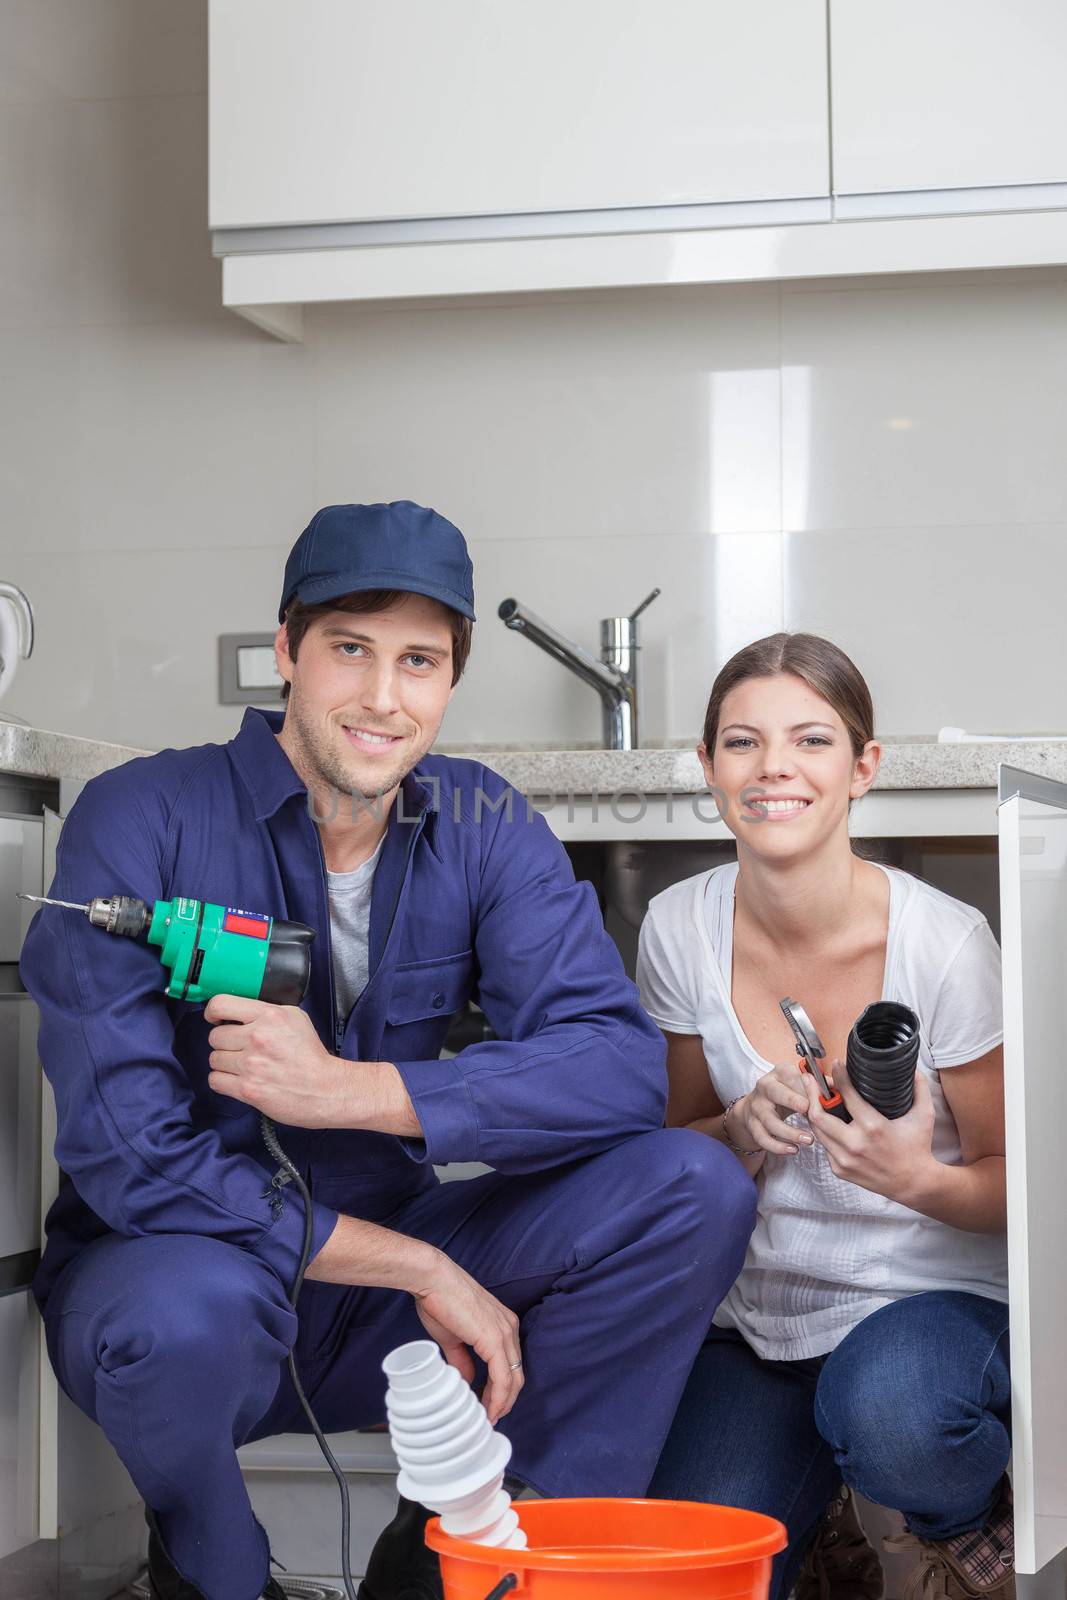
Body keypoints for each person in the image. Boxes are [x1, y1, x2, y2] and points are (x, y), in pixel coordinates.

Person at [21, 502, 757, 1600]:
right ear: (285, 650)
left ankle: (482, 1561)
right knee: (177, 1318)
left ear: (451, 680)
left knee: (689, 1185)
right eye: (349, 650)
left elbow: (616, 1069)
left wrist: (357, 1090)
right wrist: (417, 1263)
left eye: (419, 661)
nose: (381, 697)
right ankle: (214, 1571)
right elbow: (132, 1159)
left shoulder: (481, 824)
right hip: (183, 1284)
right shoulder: (141, 817)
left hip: (378, 1307)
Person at [637, 633, 1011, 1600]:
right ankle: (825, 1531)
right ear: (707, 768)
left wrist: (916, 1180)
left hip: (926, 1309)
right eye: (740, 743)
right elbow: (667, 1153)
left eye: (809, 741)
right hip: (757, 1320)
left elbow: (1027, 1191)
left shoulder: (945, 946)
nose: (772, 771)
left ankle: (961, 1529)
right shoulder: (679, 925)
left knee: (893, 1418)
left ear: (862, 768)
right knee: (688, 1567)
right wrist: (736, 1132)